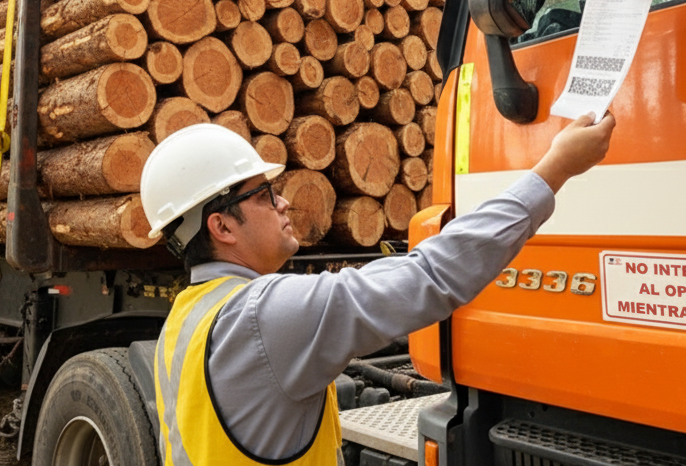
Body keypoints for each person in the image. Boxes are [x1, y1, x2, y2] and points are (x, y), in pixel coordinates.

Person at [141, 114, 616, 464]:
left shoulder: (185, 320)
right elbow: (427, 275)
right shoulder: (263, 317)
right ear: (221, 226)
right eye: (263, 194)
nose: (284, 201)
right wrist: (553, 170)